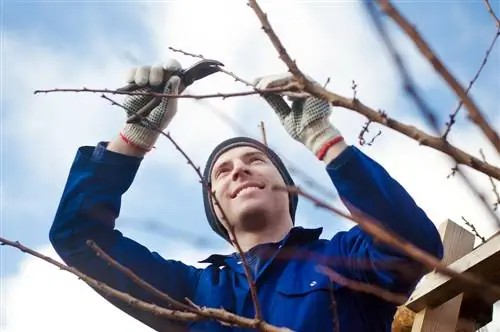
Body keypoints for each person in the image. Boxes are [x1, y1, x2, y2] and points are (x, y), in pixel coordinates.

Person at [49, 58, 444, 332]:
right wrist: (132, 139)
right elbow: (78, 239)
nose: (238, 169)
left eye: (256, 160)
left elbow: (414, 245)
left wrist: (324, 140)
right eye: (222, 171)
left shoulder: (345, 258)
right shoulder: (194, 293)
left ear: (288, 188)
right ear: (214, 207)